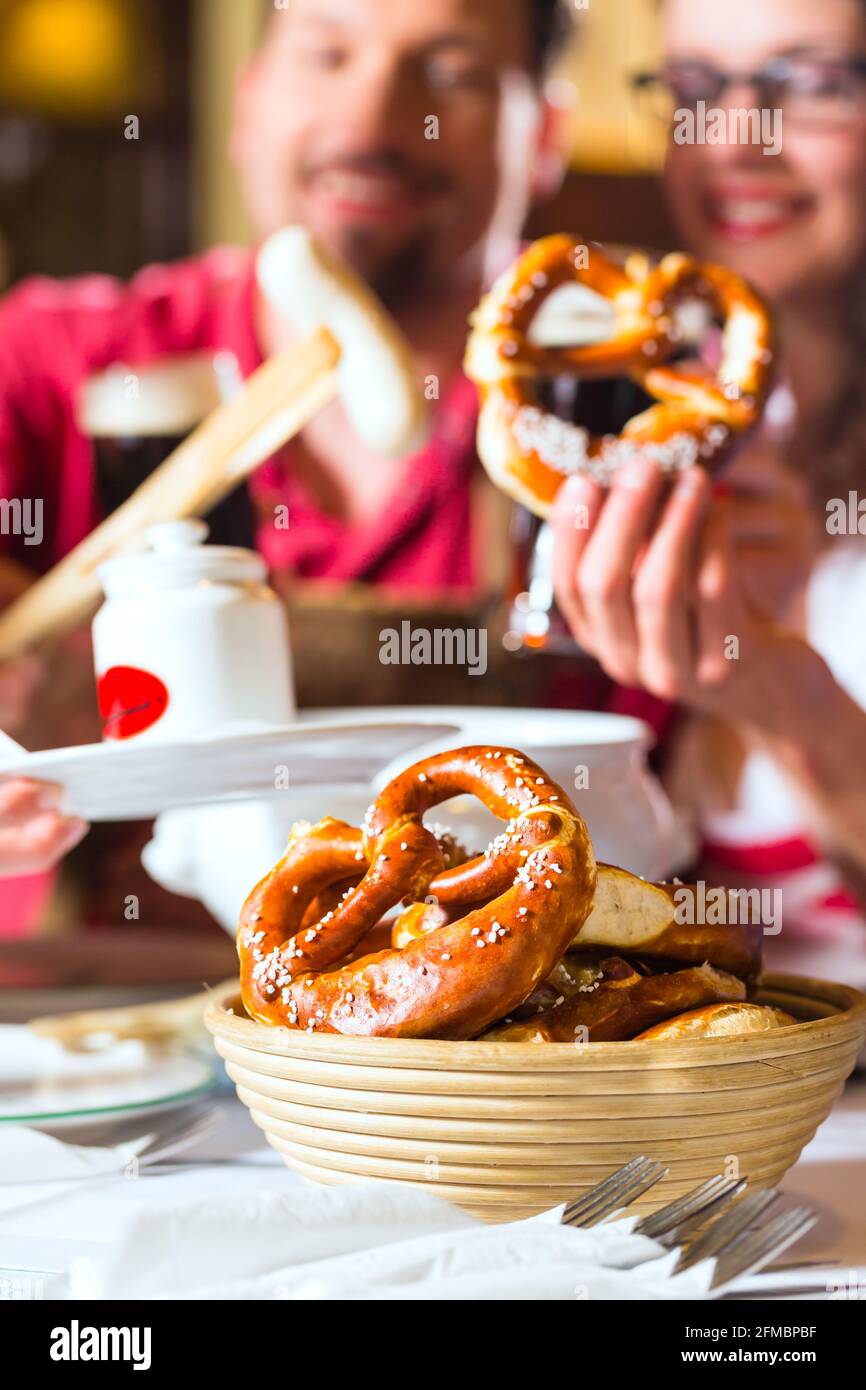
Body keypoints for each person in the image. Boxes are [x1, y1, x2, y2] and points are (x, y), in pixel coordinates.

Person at [0, 0, 573, 882]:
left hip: (465, 1000)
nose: (368, 122)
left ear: (545, 136)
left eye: (451, 72)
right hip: (104, 1004)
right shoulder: (56, 363)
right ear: (249, 100)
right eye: (325, 54)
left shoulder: (597, 430)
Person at [551, 0, 866, 974]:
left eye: (808, 86)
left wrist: (785, 698)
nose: (732, 141)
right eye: (692, 90)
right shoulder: (626, 417)